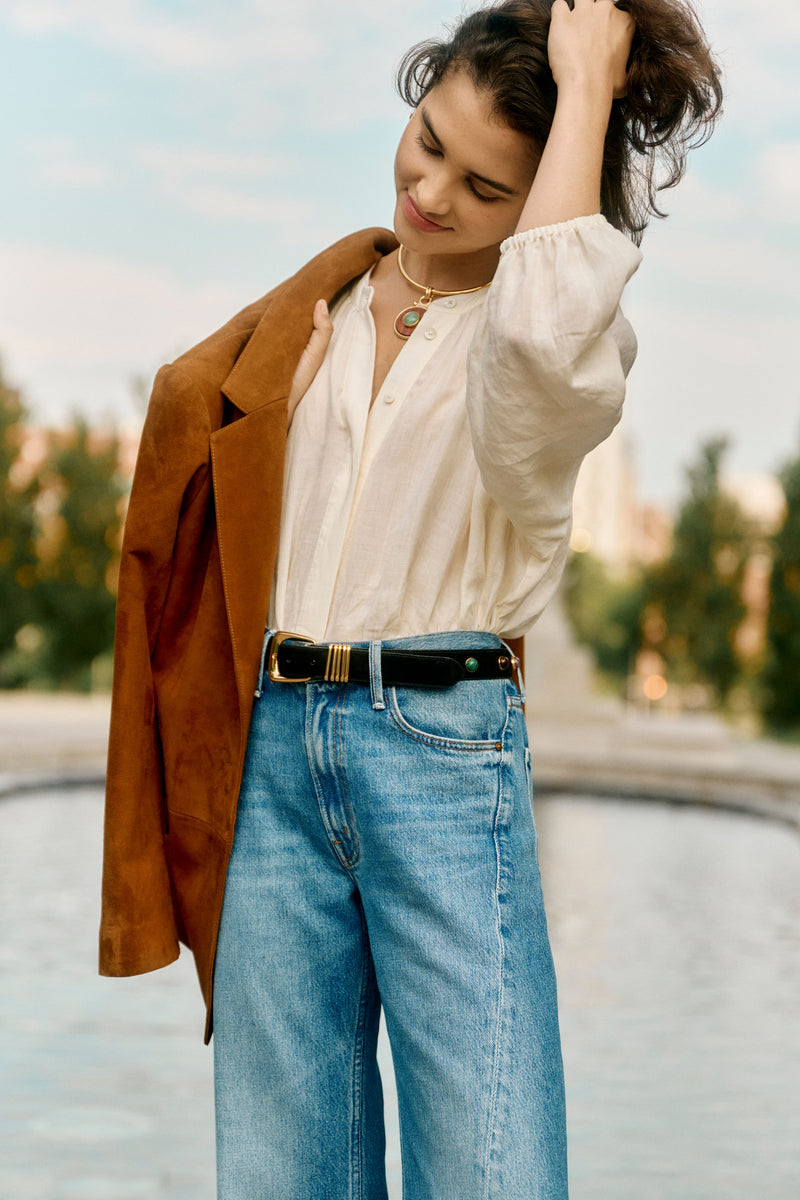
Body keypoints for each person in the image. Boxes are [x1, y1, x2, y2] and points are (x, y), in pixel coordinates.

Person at [99, 1, 721, 1196]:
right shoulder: (312, 319)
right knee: (282, 1172)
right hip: (274, 746)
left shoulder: (560, 350)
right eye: (428, 138)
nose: (431, 192)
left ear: (539, 209)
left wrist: (586, 89)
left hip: (441, 752)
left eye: (486, 190)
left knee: (491, 1171)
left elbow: (537, 340)